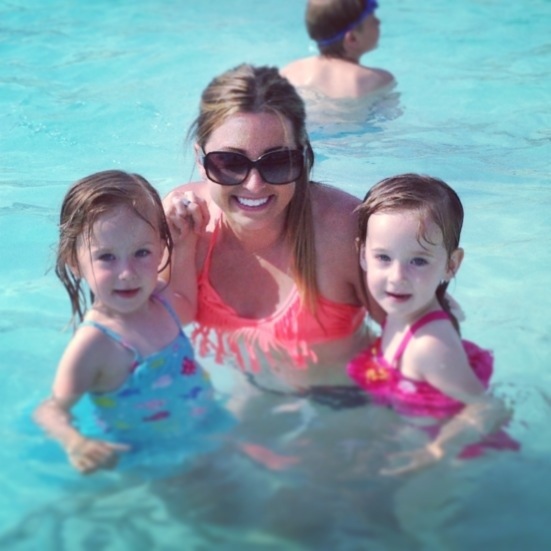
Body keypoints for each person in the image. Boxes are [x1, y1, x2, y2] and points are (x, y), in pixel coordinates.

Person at [164, 63, 374, 411]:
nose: (254, 185)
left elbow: (416, 332)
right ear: (201, 161)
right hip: (252, 396)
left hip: (347, 404)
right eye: (229, 163)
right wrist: (181, 248)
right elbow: (147, 328)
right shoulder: (184, 222)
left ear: (303, 158)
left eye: (278, 162)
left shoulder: (344, 231)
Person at [34, 170, 227, 474]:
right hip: (151, 463)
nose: (127, 273)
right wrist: (76, 443)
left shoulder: (162, 299)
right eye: (106, 257)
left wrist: (186, 242)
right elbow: (50, 410)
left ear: (161, 248)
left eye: (142, 252)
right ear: (74, 262)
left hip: (205, 429)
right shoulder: (95, 343)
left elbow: (187, 308)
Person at [347, 174, 517, 474]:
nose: (397, 277)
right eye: (383, 257)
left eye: (419, 261)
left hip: (453, 460)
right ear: (363, 255)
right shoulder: (408, 305)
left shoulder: (428, 346)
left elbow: (486, 407)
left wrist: (436, 451)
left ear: (451, 265)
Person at [280, 0, 395, 99]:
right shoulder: (377, 80)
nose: (379, 22)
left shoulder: (289, 72)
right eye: (373, 18)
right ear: (352, 39)